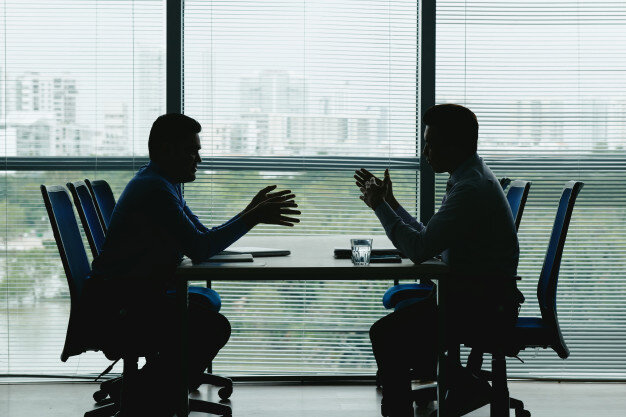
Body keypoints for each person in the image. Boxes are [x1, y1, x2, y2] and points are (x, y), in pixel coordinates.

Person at [86, 113, 301, 415]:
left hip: (132, 295)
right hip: (123, 305)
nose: (197, 159)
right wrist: (251, 217)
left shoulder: (163, 183)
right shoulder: (155, 190)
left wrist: (249, 212)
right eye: (191, 150)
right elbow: (201, 249)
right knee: (211, 327)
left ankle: (142, 389)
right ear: (166, 150)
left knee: (202, 318)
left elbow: (201, 236)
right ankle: (146, 397)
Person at [355, 104, 522, 416]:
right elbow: (429, 238)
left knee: (388, 335)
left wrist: (379, 206)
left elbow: (418, 249)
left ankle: (439, 394)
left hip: (480, 306)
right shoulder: (469, 177)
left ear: (455, 145)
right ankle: (464, 383)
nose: (425, 151)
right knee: (395, 333)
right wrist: (389, 203)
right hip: (472, 297)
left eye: (431, 143)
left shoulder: (470, 189)